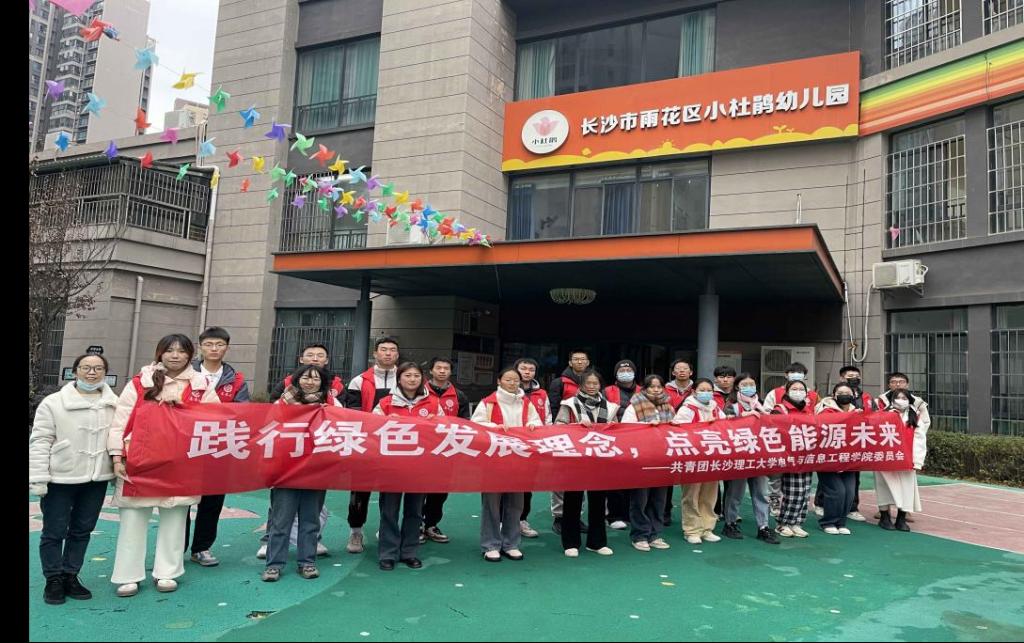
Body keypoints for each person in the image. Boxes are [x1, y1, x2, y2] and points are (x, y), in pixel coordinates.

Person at [107, 334, 208, 597]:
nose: (175, 355)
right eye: (169, 350)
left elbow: (214, 420)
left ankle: (168, 572)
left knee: (175, 519)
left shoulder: (201, 385)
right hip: (140, 460)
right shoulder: (140, 382)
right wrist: (117, 456)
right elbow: (120, 420)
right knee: (132, 519)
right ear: (159, 353)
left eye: (181, 351)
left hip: (181, 461)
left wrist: (185, 408)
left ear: (190, 355)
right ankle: (127, 575)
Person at [30, 353, 118, 605]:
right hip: (61, 478)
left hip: (96, 478)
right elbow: (40, 440)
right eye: (86, 367)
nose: (92, 373)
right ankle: (53, 579)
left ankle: (70, 575)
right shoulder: (53, 403)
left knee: (82, 530)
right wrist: (38, 477)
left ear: (105, 373)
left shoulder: (114, 403)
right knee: (54, 531)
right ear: (75, 371)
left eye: (98, 368)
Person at [262, 364, 339, 582]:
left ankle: (307, 562)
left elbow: (340, 431)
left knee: (310, 520)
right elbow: (267, 430)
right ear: (296, 379)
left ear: (322, 383)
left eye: (315, 378)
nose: (310, 382)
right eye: (305, 377)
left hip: (316, 470)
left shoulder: (331, 405)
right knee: (281, 520)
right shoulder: (281, 404)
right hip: (286, 470)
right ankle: (274, 564)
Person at [184, 327, 251, 568]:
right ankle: (175, 547)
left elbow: (242, 413)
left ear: (227, 348)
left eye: (219, 344)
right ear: (200, 347)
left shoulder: (236, 380)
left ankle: (201, 547)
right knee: (180, 500)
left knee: (212, 501)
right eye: (209, 344)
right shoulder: (185, 374)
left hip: (218, 446)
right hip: (185, 445)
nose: (214, 349)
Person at [372, 362, 442, 570]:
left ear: (422, 379)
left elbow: (445, 431)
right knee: (389, 510)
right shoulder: (385, 403)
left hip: (420, 466)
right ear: (399, 378)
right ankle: (388, 553)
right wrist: (385, 422)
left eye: (416, 376)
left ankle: (409, 552)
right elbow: (370, 429)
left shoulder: (433, 403)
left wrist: (436, 422)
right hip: (391, 466)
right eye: (407, 375)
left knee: (415, 511)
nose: (412, 379)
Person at [472, 367, 543, 561]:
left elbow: (538, 424)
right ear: (499, 381)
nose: (512, 383)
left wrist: (533, 426)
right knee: (492, 504)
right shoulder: (488, 403)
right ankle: (490, 544)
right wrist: (495, 427)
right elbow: (475, 426)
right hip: (494, 460)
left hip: (519, 460)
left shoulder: (526, 403)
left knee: (515, 503)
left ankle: (511, 543)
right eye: (508, 380)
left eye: (515, 380)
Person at [343, 336, 400, 554]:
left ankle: (387, 530)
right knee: (360, 489)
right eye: (383, 349)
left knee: (392, 490)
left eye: (392, 350)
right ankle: (356, 531)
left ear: (397, 354)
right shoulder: (359, 381)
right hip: (365, 442)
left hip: (396, 444)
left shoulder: (407, 378)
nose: (388, 353)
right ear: (375, 353)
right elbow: (353, 414)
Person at [555, 370, 618, 557]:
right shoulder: (569, 404)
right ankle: (570, 543)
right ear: (581, 385)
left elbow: (617, 430)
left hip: (600, 459)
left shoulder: (610, 407)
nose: (591, 386)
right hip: (575, 459)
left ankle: (597, 543)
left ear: (600, 385)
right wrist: (577, 428)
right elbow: (558, 427)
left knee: (598, 501)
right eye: (588, 383)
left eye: (595, 383)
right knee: (572, 500)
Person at [721, 374, 779, 545]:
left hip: (759, 456)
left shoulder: (761, 406)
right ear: (737, 387)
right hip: (739, 456)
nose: (749, 387)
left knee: (761, 493)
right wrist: (744, 416)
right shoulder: (731, 406)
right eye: (744, 384)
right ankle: (730, 523)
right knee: (735, 493)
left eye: (751, 384)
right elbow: (724, 426)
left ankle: (763, 527)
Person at [621, 375, 675, 552]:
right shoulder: (634, 406)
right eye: (652, 387)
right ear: (644, 389)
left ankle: (655, 534)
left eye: (659, 387)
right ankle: (640, 535)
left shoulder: (668, 406)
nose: (656, 390)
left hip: (663, 459)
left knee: (659, 499)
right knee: (640, 499)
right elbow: (626, 431)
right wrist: (645, 427)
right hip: (642, 460)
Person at [421, 356, 470, 544]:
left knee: (440, 490)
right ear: (431, 371)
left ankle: (431, 524)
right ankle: (416, 524)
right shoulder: (419, 391)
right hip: (422, 449)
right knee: (418, 489)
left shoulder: (459, 395)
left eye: (446, 368)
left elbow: (465, 424)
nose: (442, 371)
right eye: (438, 368)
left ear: (451, 372)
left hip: (447, 450)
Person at [672, 378, 726, 545]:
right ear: (694, 391)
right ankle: (692, 530)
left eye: (709, 390)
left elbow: (726, 427)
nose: (706, 393)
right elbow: (680, 431)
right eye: (702, 390)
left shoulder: (716, 408)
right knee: (691, 495)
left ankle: (707, 528)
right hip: (693, 459)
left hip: (712, 458)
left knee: (710, 495)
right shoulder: (687, 409)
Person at [763, 362, 819, 518]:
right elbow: (766, 413)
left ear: (805, 376)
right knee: (776, 473)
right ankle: (774, 499)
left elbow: (819, 415)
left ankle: (797, 506)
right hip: (781, 441)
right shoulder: (775, 393)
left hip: (803, 442)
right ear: (786, 375)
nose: (796, 375)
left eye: (800, 373)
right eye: (793, 372)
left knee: (799, 476)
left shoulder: (812, 395)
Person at [875, 382, 930, 532]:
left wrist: (917, 460)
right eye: (897, 398)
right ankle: (884, 517)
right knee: (884, 487)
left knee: (906, 488)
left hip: (906, 459)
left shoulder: (915, 417)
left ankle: (901, 518)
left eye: (904, 398)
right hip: (886, 459)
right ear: (892, 400)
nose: (901, 401)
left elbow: (920, 439)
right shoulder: (883, 415)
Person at [547, 350, 591, 535]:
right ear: (570, 362)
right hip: (563, 437)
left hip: (586, 439)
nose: (580, 362)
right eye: (576, 359)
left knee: (581, 478)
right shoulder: (559, 382)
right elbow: (553, 407)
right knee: (561, 478)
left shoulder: (592, 380)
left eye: (583, 359)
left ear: (588, 362)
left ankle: (576, 516)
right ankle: (559, 517)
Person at [766, 380, 814, 538]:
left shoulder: (808, 410)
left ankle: (797, 522)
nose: (798, 391)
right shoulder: (780, 409)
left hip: (806, 456)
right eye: (794, 389)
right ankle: (783, 523)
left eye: (801, 389)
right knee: (793, 491)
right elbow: (774, 430)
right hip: (789, 456)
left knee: (805, 491)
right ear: (786, 392)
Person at [814, 383, 861, 535]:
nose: (844, 395)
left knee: (849, 492)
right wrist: (850, 418)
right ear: (834, 395)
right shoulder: (825, 410)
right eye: (840, 392)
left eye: (847, 392)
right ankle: (828, 522)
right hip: (828, 459)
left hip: (849, 459)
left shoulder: (857, 411)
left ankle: (841, 522)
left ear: (853, 395)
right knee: (836, 491)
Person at [514, 357, 551, 539]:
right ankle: (503, 521)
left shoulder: (542, 394)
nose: (527, 372)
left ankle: (522, 520)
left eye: (531, 369)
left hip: (533, 446)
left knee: (527, 486)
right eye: (523, 368)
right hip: (511, 446)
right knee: (507, 484)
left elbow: (548, 418)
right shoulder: (507, 391)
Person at [602, 359, 639, 529]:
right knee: (615, 480)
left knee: (634, 479)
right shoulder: (607, 391)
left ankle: (630, 513)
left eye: (628, 370)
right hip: (615, 440)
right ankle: (614, 515)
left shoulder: (642, 391)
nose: (625, 373)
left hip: (638, 441)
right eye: (621, 370)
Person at [663, 359, 695, 525]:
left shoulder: (698, 390)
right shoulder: (663, 390)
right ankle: (665, 511)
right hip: (669, 438)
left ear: (691, 372)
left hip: (693, 440)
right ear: (673, 372)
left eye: (685, 368)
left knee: (694, 476)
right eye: (678, 368)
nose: (682, 371)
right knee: (667, 475)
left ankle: (695, 514)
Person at [268, 343, 345, 400]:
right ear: (301, 359)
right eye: (310, 355)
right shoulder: (288, 382)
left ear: (326, 360)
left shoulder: (336, 384)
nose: (315, 359)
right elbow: (274, 404)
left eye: (320, 356)